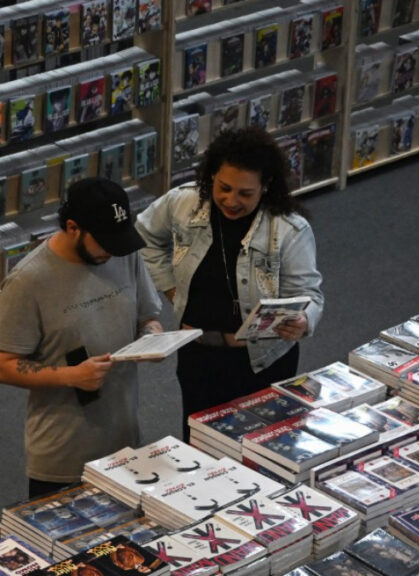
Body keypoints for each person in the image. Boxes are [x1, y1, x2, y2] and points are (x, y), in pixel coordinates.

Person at [135, 128, 324, 440]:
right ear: (211, 176)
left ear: (266, 187)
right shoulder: (183, 204)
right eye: (224, 187)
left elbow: (308, 294)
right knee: (199, 445)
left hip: (261, 362)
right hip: (198, 356)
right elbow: (143, 237)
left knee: (263, 450)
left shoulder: (290, 229)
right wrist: (171, 289)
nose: (231, 200)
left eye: (245, 194)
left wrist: (304, 320)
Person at [0, 177, 163, 498]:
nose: (113, 252)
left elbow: (148, 316)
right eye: (104, 242)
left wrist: (153, 337)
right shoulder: (27, 282)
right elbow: (4, 366)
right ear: (73, 228)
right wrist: (73, 375)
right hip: (62, 453)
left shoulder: (122, 252)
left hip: (123, 439)